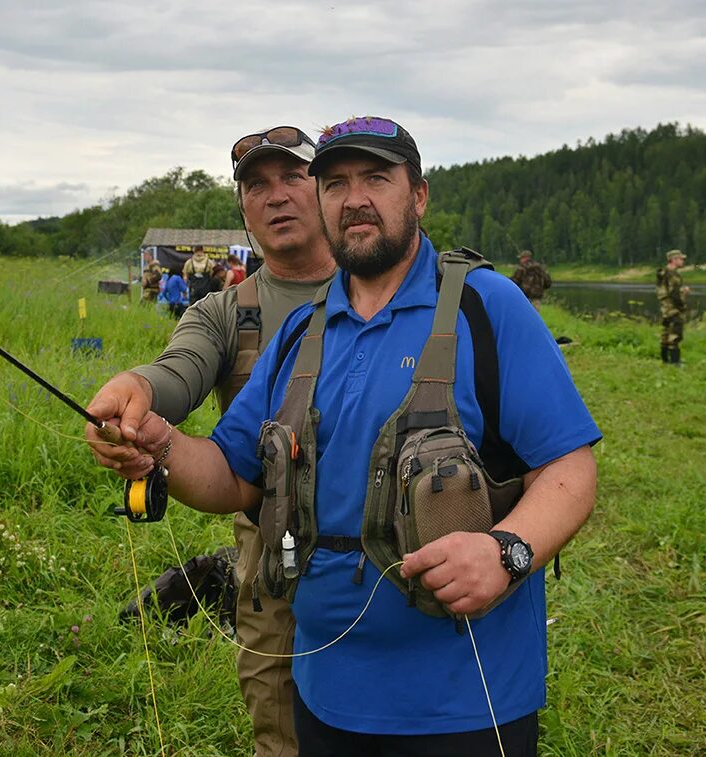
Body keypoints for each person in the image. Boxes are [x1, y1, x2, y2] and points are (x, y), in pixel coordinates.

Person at [93, 117, 600, 756]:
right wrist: (160, 442)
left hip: (465, 703)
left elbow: (568, 469)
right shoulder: (300, 334)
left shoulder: (486, 306)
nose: (353, 197)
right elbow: (232, 474)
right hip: (321, 690)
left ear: (417, 195)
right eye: (335, 183)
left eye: (375, 178)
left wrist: (508, 553)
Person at [86, 124, 336, 757]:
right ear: (243, 210)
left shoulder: (382, 290)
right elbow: (177, 372)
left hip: (387, 550)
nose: (275, 196)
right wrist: (136, 392)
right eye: (256, 186)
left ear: (326, 188)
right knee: (279, 724)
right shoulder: (223, 312)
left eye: (291, 178)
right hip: (272, 551)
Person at [657, 249, 689, 364]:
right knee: (675, 334)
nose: (683, 261)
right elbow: (674, 294)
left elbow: (664, 291)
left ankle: (665, 360)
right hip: (673, 308)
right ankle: (675, 362)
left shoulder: (663, 273)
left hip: (664, 308)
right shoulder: (673, 275)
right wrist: (682, 302)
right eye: (681, 259)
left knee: (665, 333)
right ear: (673, 260)